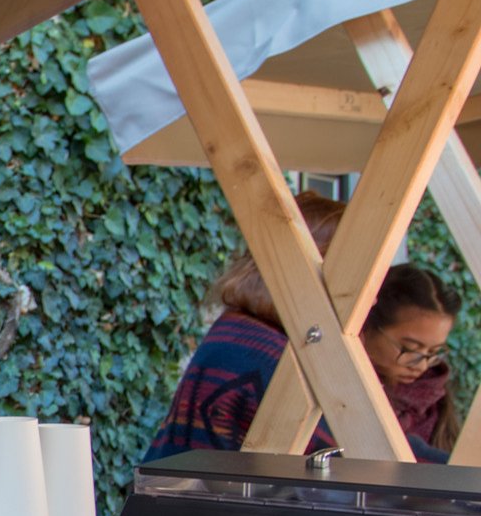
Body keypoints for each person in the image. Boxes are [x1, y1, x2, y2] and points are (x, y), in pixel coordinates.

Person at [146, 191, 344, 459]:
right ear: (313, 270)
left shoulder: (243, 329)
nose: (373, 295)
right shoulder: (270, 353)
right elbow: (346, 454)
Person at [361, 263, 461, 457]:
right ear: (367, 327)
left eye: (433, 352)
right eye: (410, 349)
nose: (422, 365)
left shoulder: (434, 400)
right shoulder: (341, 393)